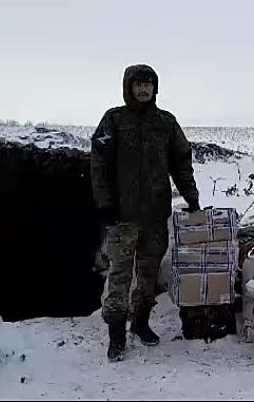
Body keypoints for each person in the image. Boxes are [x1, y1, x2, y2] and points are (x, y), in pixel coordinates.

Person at [90, 64, 201, 362]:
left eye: (148, 84)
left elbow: (181, 162)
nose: (143, 89)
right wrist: (104, 202)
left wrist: (190, 195)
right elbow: (99, 165)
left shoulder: (166, 123)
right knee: (119, 275)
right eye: (138, 84)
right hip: (122, 216)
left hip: (155, 215)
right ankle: (116, 335)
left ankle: (140, 323)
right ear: (128, 87)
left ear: (155, 88)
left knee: (148, 274)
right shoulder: (113, 120)